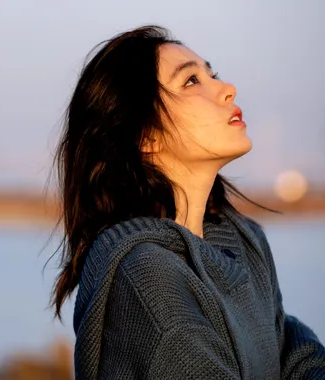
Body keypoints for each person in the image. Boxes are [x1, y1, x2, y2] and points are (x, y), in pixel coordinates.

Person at [49, 25, 325, 379]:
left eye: (212, 74)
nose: (227, 89)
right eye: (191, 81)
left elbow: (290, 350)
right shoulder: (145, 278)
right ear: (144, 136)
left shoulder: (242, 241)